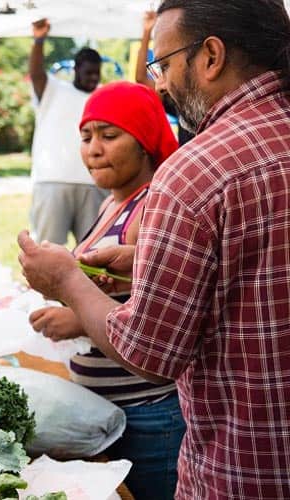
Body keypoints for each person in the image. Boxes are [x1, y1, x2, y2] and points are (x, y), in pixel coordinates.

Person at [18, 1, 290, 498]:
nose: (160, 84)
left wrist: (67, 283)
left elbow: (151, 352)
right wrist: (139, 264)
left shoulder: (197, 171)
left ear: (210, 56)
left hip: (243, 471)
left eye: (163, 65)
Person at [29, 81, 182, 500]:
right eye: (86, 136)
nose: (94, 148)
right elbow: (114, 292)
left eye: (109, 135)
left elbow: (161, 311)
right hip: (114, 413)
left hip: (149, 416)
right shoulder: (109, 203)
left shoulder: (150, 206)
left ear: (146, 139)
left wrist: (77, 318)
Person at [27, 18, 107, 246]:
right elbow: (35, 73)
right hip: (52, 182)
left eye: (97, 73)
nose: (94, 78)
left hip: (94, 184)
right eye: (89, 72)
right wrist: (39, 40)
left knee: (93, 254)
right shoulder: (53, 89)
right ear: (76, 69)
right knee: (47, 251)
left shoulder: (103, 95)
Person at [134, 10, 195, 145]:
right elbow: (141, 78)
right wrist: (147, 32)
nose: (160, 86)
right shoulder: (180, 101)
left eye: (166, 66)